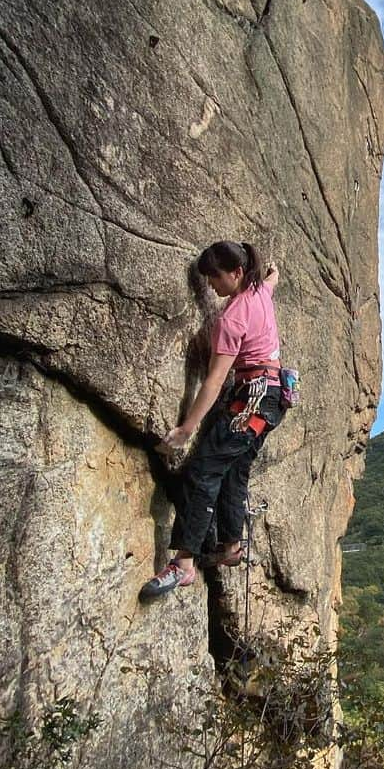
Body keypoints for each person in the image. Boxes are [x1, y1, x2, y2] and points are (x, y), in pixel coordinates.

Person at [140, 240, 284, 601]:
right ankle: (231, 545)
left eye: (216, 278)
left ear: (236, 272)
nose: (212, 287)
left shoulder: (232, 316)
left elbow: (215, 379)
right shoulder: (259, 292)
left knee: (203, 472)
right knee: (234, 470)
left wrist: (187, 427)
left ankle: (184, 564)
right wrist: (272, 274)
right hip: (274, 398)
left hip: (251, 398)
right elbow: (271, 281)